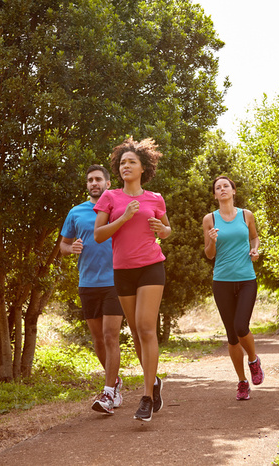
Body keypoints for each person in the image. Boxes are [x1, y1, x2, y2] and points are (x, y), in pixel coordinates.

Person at [93, 137, 171, 422]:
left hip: (151, 266)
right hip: (122, 270)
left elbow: (166, 230)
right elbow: (99, 235)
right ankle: (154, 382)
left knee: (145, 327)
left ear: (143, 167)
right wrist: (124, 217)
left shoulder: (155, 198)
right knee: (137, 334)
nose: (126, 166)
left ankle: (147, 397)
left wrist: (161, 229)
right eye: (122, 162)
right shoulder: (110, 198)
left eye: (132, 162)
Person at [60, 165, 124, 415]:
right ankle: (115, 382)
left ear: (108, 184)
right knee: (98, 340)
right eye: (90, 180)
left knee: (110, 336)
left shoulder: (118, 210)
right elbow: (63, 246)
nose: (94, 183)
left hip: (116, 281)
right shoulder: (76, 213)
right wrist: (71, 248)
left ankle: (108, 393)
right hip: (88, 283)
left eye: (98, 179)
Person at [202, 175, 265, 401]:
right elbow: (209, 254)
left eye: (225, 186)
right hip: (222, 281)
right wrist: (211, 241)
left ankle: (253, 360)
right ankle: (241, 381)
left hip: (247, 278)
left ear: (233, 191)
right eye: (218, 188)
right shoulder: (209, 219)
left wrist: (255, 250)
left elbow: (255, 238)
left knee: (241, 326)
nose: (222, 190)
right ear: (215, 194)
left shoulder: (246, 215)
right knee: (231, 336)